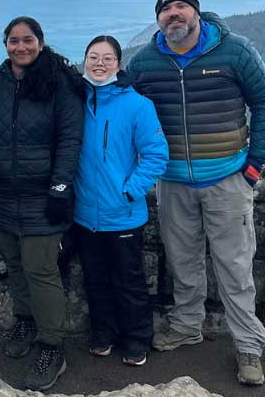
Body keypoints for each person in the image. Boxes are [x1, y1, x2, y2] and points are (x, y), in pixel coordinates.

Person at [126, 0, 265, 386]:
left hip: (228, 179)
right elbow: (122, 104)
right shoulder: (146, 63)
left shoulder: (234, 51)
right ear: (157, 19)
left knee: (234, 264)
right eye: (165, 10)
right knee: (182, 261)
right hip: (172, 183)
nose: (173, 15)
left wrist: (253, 166)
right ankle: (187, 326)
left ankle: (248, 344)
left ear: (196, 11)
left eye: (180, 7)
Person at [0, 16, 83, 392]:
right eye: (14, 41)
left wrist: (61, 188)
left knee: (41, 269)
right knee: (15, 264)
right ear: (5, 44)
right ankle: (25, 320)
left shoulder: (58, 82)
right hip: (2, 196)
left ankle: (53, 346)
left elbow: (70, 137)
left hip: (42, 195)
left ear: (40, 41)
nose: (21, 47)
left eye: (28, 40)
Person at [73, 35, 169, 368]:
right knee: (95, 279)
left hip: (123, 213)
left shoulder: (137, 105)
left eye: (107, 58)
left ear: (118, 63)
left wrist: (130, 190)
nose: (99, 64)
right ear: (84, 60)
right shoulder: (76, 100)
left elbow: (157, 154)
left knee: (128, 281)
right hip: (84, 214)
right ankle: (103, 335)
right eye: (93, 57)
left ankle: (137, 340)